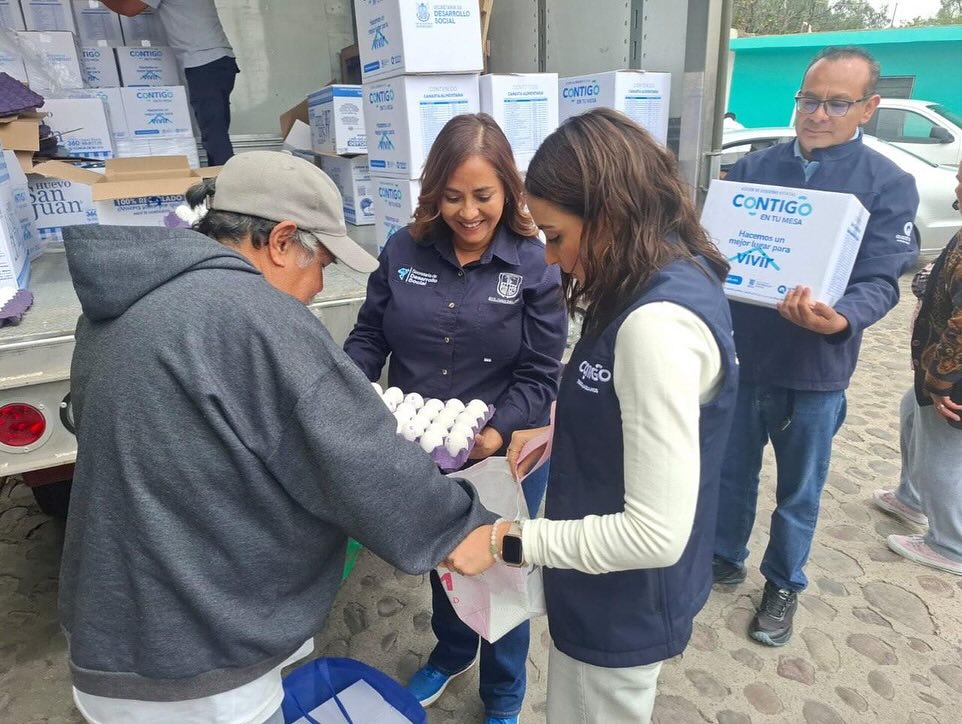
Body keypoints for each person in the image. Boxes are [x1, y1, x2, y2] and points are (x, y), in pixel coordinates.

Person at [58, 151, 500, 724]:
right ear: (282, 240)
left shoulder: (121, 302)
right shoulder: (258, 320)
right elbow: (359, 457)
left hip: (107, 642)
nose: (318, 286)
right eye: (321, 264)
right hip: (199, 671)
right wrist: (462, 526)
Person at [456, 107, 739, 723]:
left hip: (620, 600)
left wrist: (509, 540)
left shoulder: (655, 326)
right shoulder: (657, 271)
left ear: (608, 216)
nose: (553, 260)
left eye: (556, 237)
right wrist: (558, 431)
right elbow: (635, 412)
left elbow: (654, 534)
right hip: (601, 586)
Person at [343, 113, 567, 724]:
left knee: (502, 574)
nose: (468, 212)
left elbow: (541, 374)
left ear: (509, 192)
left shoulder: (534, 260)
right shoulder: (404, 248)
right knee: (444, 558)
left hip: (502, 451)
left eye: (483, 196)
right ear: (434, 192)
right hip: (419, 445)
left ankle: (504, 694)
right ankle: (452, 650)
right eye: (453, 196)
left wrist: (490, 435)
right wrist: (342, 383)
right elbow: (369, 336)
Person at [711, 46, 920, 647]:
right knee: (731, 473)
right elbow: (714, 253)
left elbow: (882, 278)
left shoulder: (887, 185)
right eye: (809, 99)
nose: (818, 114)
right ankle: (724, 558)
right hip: (743, 359)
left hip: (815, 370)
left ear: (868, 108)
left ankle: (783, 584)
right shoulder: (752, 171)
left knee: (799, 491)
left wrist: (841, 320)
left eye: (836, 103)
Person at [874, 160, 962, 576]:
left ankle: (949, 543)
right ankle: (909, 497)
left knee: (941, 451)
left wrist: (942, 380)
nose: (957, 187)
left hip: (951, 376)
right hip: (936, 368)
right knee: (912, 414)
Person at [101, 0, 239, 165]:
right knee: (216, 131)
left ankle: (225, 183)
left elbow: (129, 8)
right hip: (220, 60)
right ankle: (219, 180)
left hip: (204, 62)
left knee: (214, 133)